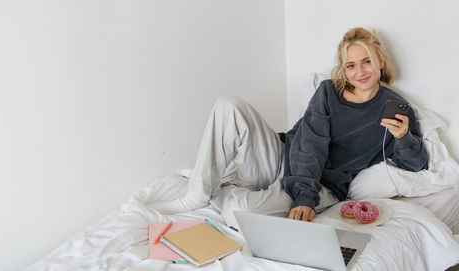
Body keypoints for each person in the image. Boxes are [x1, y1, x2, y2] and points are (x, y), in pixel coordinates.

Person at [147, 27, 428, 224]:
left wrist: (403, 137)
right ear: (343, 69)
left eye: (366, 61)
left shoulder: (394, 107)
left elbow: (416, 164)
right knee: (227, 105)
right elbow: (310, 142)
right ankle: (198, 193)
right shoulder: (328, 92)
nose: (360, 71)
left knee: (238, 211)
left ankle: (222, 189)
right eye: (351, 65)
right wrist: (303, 194)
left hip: (323, 186)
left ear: (380, 60)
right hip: (283, 157)